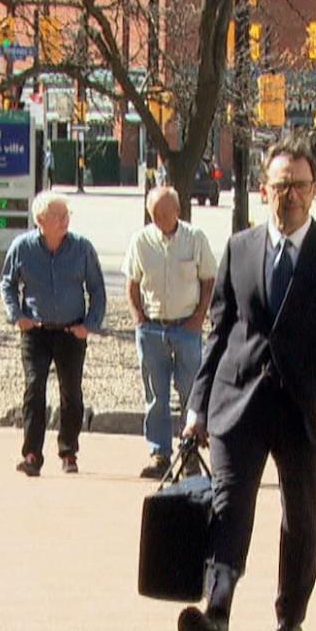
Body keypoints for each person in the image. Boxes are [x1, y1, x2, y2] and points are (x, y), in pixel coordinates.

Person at [178, 137, 316, 631]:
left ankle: (290, 618)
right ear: (263, 189)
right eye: (280, 186)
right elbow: (219, 331)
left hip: (305, 406)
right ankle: (217, 612)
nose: (288, 196)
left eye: (299, 187)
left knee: (300, 510)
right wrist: (197, 406)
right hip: (237, 399)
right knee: (230, 502)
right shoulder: (240, 249)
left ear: (315, 192)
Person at [0, 192, 106, 477]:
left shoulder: (82, 248)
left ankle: (68, 451)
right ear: (40, 221)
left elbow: (97, 289)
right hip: (36, 331)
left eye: (66, 215)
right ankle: (32, 454)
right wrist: (17, 316)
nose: (64, 221)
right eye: (58, 216)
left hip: (72, 331)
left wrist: (90, 325)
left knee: (71, 392)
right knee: (35, 387)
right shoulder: (22, 247)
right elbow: (7, 284)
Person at [122, 186, 217, 479]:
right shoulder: (141, 241)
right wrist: (138, 316)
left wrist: (200, 316)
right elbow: (132, 282)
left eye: (165, 213)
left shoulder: (195, 239)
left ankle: (189, 453)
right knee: (155, 395)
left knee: (191, 392)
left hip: (186, 327)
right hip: (152, 328)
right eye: (154, 214)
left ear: (178, 210)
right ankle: (159, 454)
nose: (160, 218)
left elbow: (208, 279)